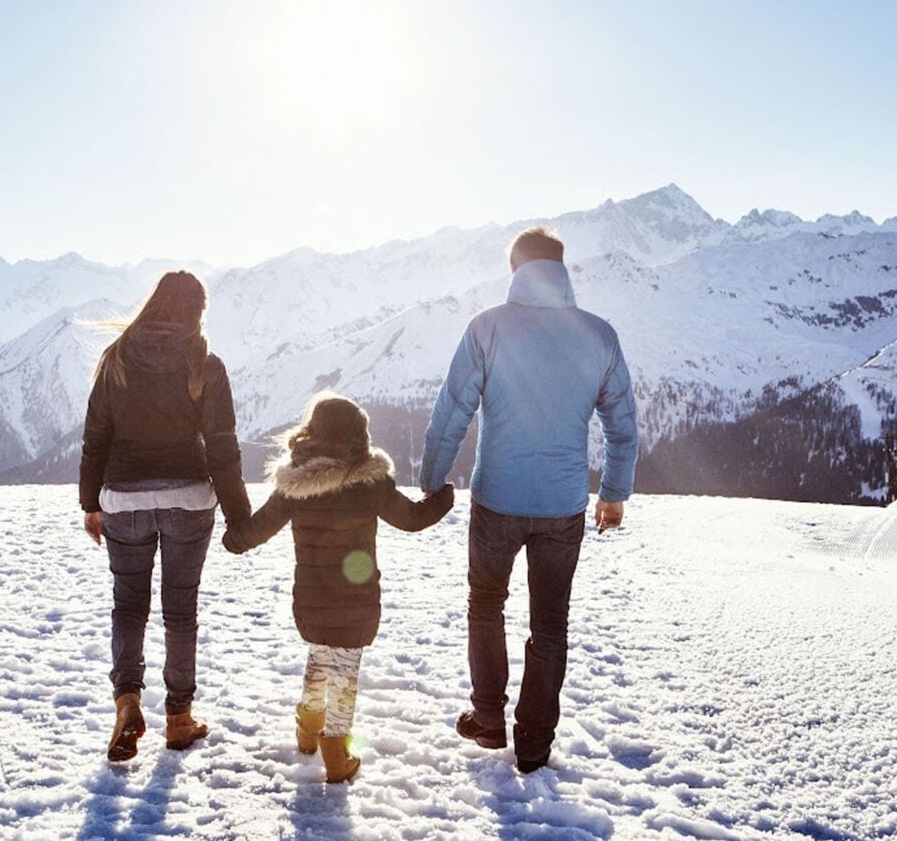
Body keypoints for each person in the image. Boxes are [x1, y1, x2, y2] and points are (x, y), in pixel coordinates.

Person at [418, 226, 639, 773]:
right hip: (563, 506)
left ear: (515, 268)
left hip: (495, 499)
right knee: (551, 624)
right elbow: (623, 428)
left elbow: (452, 411)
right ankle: (535, 742)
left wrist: (431, 480)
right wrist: (612, 495)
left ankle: (488, 719)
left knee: (486, 604)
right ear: (562, 268)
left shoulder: (487, 327)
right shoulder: (599, 335)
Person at [223, 393, 454, 783]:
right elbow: (412, 519)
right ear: (358, 436)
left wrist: (234, 539)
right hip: (357, 599)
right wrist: (443, 499)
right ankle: (336, 752)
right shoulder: (371, 483)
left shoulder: (294, 486)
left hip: (311, 598)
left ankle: (307, 729)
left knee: (318, 657)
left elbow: (255, 530)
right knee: (345, 671)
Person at [80, 270, 251, 762]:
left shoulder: (116, 360)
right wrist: (239, 516)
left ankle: (128, 701)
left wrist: (91, 503)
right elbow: (222, 449)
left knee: (129, 605)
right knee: (181, 611)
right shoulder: (206, 364)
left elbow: (96, 439)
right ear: (198, 311)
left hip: (124, 502)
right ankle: (178, 718)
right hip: (189, 500)